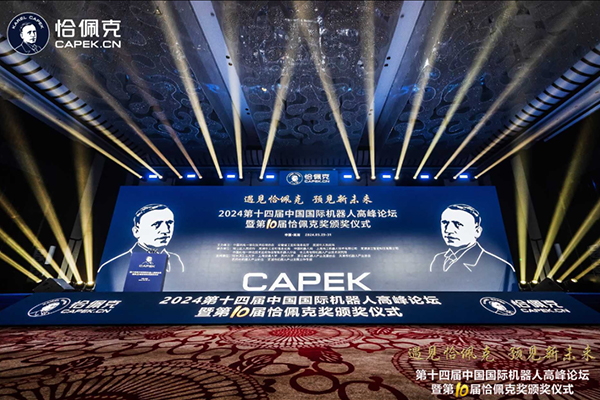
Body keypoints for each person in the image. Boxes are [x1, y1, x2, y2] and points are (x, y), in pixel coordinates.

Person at [95, 204, 184, 291]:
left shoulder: (176, 260)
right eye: (156, 224)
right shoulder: (112, 266)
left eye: (169, 223)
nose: (165, 230)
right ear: (136, 231)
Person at [429, 204, 517, 291]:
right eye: (445, 223)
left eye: (458, 224)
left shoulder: (500, 267)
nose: (448, 230)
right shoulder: (438, 259)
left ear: (477, 231)